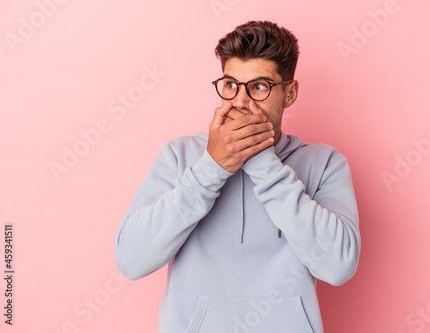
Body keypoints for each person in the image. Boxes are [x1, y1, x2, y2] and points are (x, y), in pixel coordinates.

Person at [115, 20, 360, 333]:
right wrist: (212, 167)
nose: (241, 102)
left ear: (289, 93)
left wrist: (262, 162)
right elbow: (132, 260)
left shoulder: (324, 164)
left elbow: (338, 266)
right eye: (231, 85)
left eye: (259, 86)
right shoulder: (180, 157)